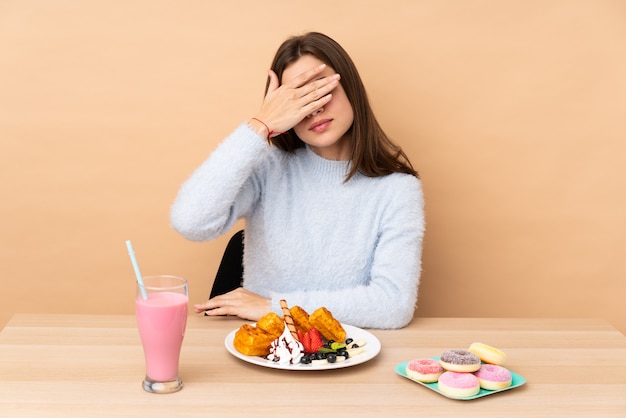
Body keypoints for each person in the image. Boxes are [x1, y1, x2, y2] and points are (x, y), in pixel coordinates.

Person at [170, 32, 425, 329]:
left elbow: (393, 305)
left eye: (320, 89)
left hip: (345, 356)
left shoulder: (397, 189)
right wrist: (260, 126)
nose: (314, 108)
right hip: (267, 352)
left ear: (350, 87)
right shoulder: (268, 167)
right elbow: (190, 221)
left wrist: (275, 307)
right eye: (297, 98)